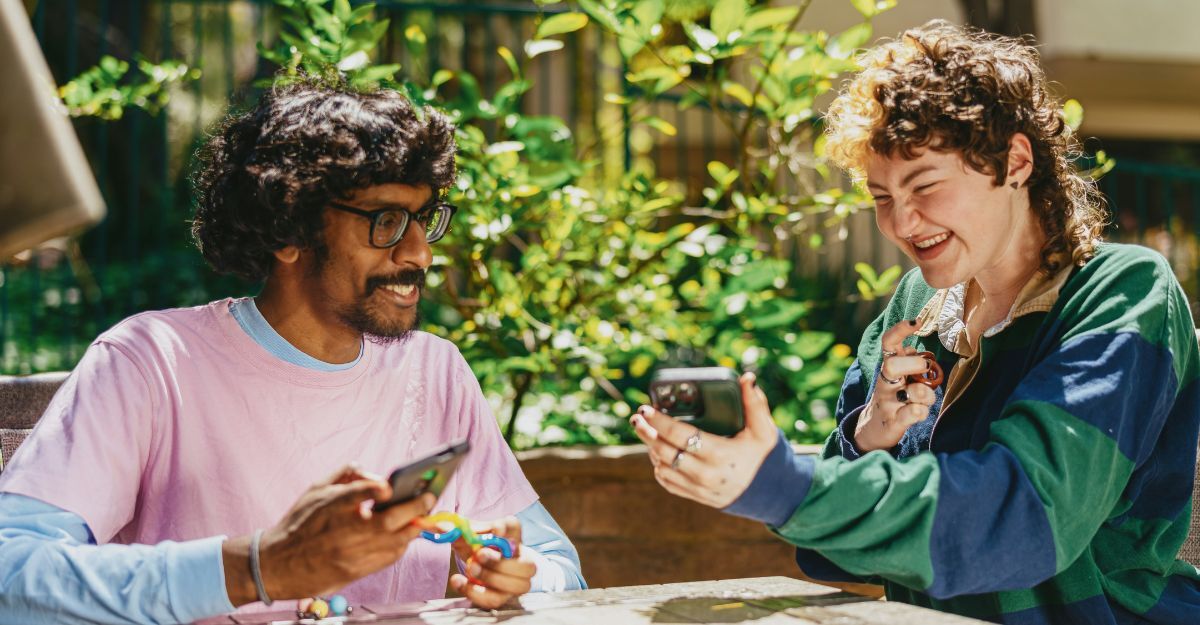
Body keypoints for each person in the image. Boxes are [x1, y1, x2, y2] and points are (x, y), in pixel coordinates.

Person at [630, 20, 1199, 625]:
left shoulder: (1123, 290)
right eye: (880, 197)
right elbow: (832, 559)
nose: (902, 223)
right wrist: (870, 434)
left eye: (924, 184)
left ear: (1014, 162)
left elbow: (1026, 523)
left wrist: (783, 486)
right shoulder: (915, 309)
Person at [0, 79, 585, 625]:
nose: (419, 254)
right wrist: (258, 567)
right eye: (385, 220)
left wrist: (517, 578)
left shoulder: (434, 370)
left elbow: (560, 566)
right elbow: (12, 578)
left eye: (423, 218)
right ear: (288, 230)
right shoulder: (152, 362)